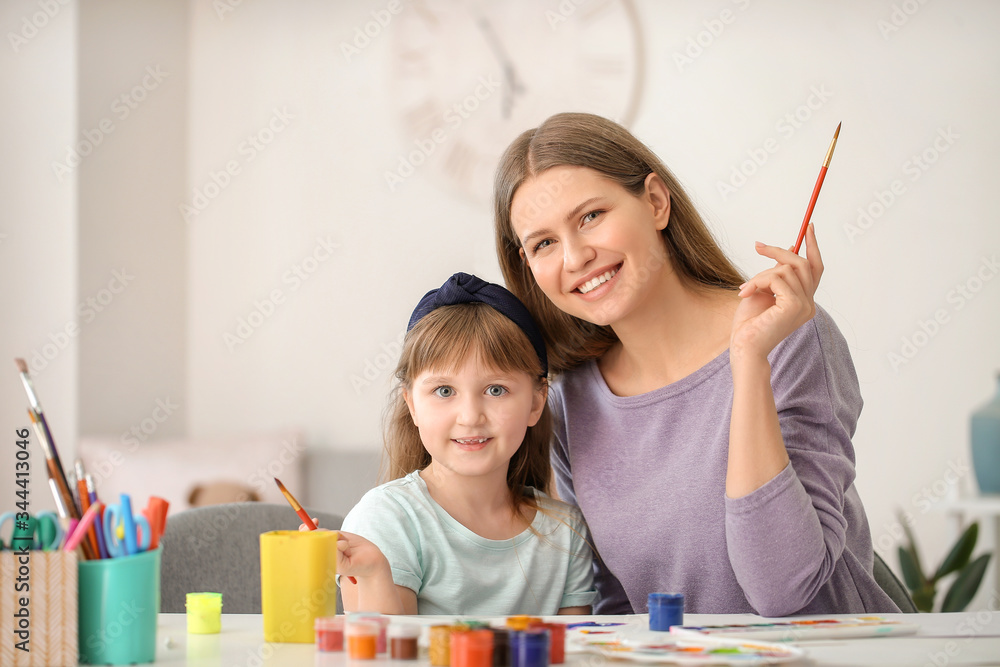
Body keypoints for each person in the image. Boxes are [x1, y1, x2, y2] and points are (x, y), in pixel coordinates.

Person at [492, 112, 900, 616]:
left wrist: (748, 361)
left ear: (656, 202)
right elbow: (615, 609)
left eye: (591, 216)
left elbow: (783, 590)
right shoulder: (568, 401)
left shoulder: (789, 337)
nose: (575, 257)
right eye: (544, 243)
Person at [331, 272, 596, 615]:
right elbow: (382, 658)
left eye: (496, 390)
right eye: (444, 391)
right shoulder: (386, 520)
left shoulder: (565, 532)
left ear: (535, 402)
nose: (470, 417)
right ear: (411, 404)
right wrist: (376, 575)